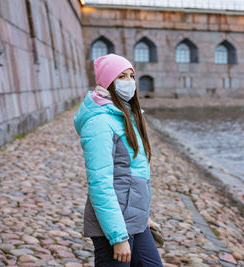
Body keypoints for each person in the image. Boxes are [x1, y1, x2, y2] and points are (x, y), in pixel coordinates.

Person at [73, 53, 163, 266]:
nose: (129, 83)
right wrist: (117, 236)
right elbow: (100, 184)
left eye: (132, 76)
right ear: (107, 82)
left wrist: (144, 215)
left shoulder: (126, 116)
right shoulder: (100, 123)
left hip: (135, 219)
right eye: (121, 77)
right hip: (113, 226)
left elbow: (134, 174)